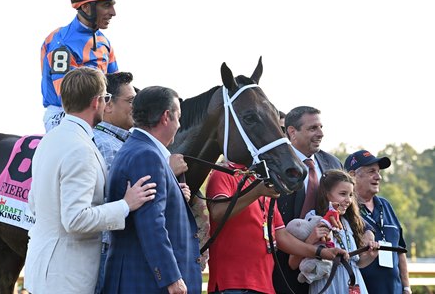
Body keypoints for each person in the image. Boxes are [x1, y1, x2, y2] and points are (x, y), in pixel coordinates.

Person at [24, 67, 156, 294]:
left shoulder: (50, 139)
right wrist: (125, 204)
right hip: (66, 278)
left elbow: (34, 203)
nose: (106, 104)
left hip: (43, 270)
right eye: (106, 98)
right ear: (97, 102)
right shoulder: (80, 149)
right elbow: (75, 220)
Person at [93, 72, 190, 294]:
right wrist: (170, 277)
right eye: (178, 117)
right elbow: (151, 221)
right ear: (166, 117)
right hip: (141, 279)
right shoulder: (145, 155)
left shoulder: (135, 147)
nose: (180, 124)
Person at [206, 161, 348, 294]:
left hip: (265, 284)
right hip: (232, 284)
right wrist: (257, 192)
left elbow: (281, 236)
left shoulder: (262, 182)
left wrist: (322, 252)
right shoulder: (224, 173)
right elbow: (218, 212)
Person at [41, 0, 125, 132]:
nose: (113, 13)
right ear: (86, 6)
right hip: (64, 113)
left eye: (113, 5)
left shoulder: (104, 42)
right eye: (107, 5)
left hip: (97, 109)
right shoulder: (61, 42)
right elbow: (69, 99)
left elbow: (117, 88)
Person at [273, 106, 343, 294]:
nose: (320, 134)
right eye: (313, 128)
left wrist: (367, 230)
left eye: (321, 127)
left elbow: (350, 206)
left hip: (327, 265)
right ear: (292, 132)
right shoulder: (273, 165)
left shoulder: (333, 164)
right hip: (282, 266)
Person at [289, 169, 379, 294]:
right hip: (327, 284)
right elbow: (292, 263)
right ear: (326, 193)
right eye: (343, 194)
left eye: (351, 195)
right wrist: (312, 238)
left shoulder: (349, 222)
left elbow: (356, 264)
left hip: (353, 283)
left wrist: (370, 256)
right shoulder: (313, 219)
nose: (348, 200)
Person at [345, 150, 411, 294]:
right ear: (352, 175)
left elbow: (400, 250)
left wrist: (406, 287)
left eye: (379, 172)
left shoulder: (385, 205)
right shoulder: (345, 210)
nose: (378, 176)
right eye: (371, 171)